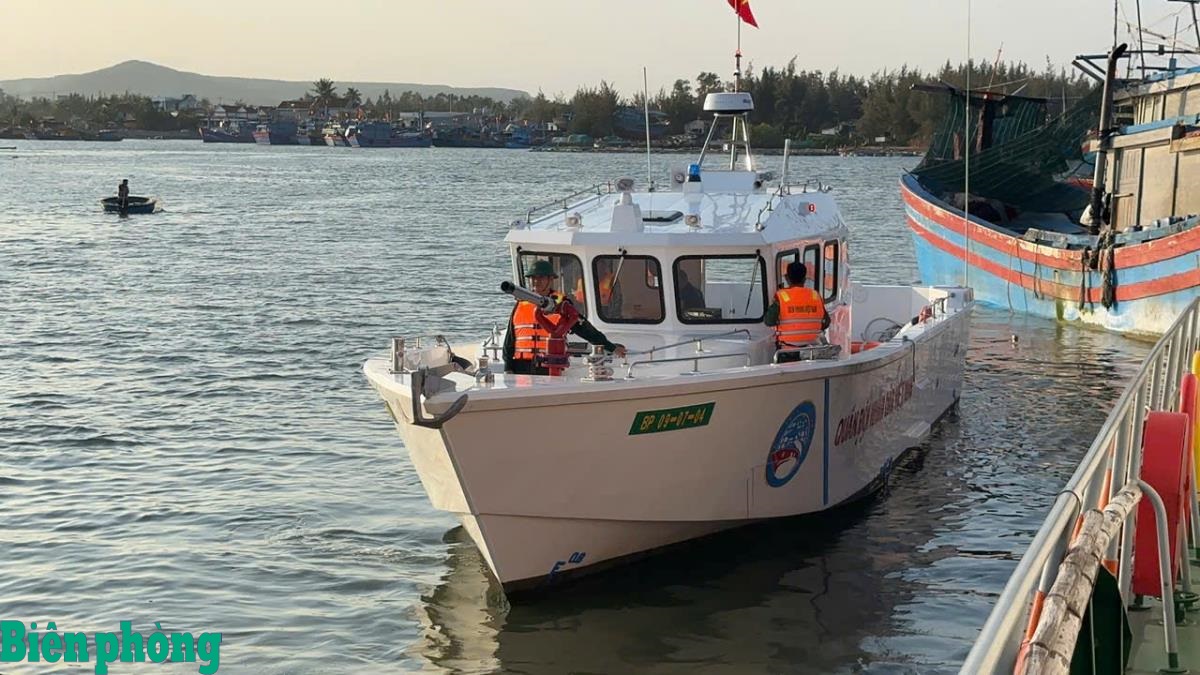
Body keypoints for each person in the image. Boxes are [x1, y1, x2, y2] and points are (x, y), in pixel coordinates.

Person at [504, 260, 627, 375]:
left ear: (550, 280)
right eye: (533, 278)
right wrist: (508, 368)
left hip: (549, 365)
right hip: (521, 367)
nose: (536, 281)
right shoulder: (520, 305)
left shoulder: (561, 303)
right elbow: (510, 340)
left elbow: (584, 329)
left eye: (541, 277)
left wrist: (611, 347)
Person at [764, 261, 830, 352]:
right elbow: (826, 321)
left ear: (787, 278)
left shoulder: (781, 297)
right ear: (804, 279)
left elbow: (769, 321)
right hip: (812, 349)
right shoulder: (815, 296)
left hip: (788, 350)